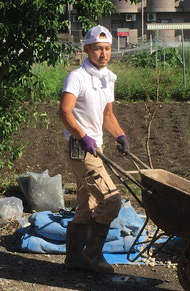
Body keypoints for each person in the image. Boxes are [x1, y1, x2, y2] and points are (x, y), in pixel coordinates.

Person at [59, 25, 129, 274]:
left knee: (87, 204)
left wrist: (119, 135)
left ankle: (75, 259)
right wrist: (83, 136)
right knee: (111, 200)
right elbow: (65, 112)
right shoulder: (77, 76)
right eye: (98, 48)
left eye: (107, 48)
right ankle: (93, 254)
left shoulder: (107, 78)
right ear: (86, 49)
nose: (103, 53)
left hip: (94, 145)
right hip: (80, 148)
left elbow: (107, 114)